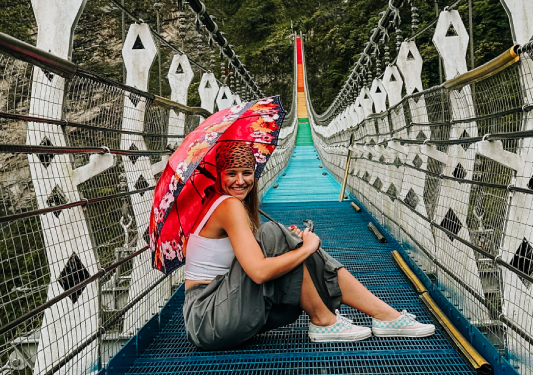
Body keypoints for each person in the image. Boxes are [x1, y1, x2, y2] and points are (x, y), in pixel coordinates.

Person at [182, 141, 435, 349]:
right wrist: (304, 248)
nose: (240, 180)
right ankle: (325, 320)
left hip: (220, 311)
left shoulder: (224, 203)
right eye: (231, 173)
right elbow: (258, 272)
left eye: (247, 173)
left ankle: (385, 316)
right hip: (208, 318)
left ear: (255, 174)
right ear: (219, 175)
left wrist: (292, 243)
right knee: (278, 236)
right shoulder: (228, 205)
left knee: (285, 240)